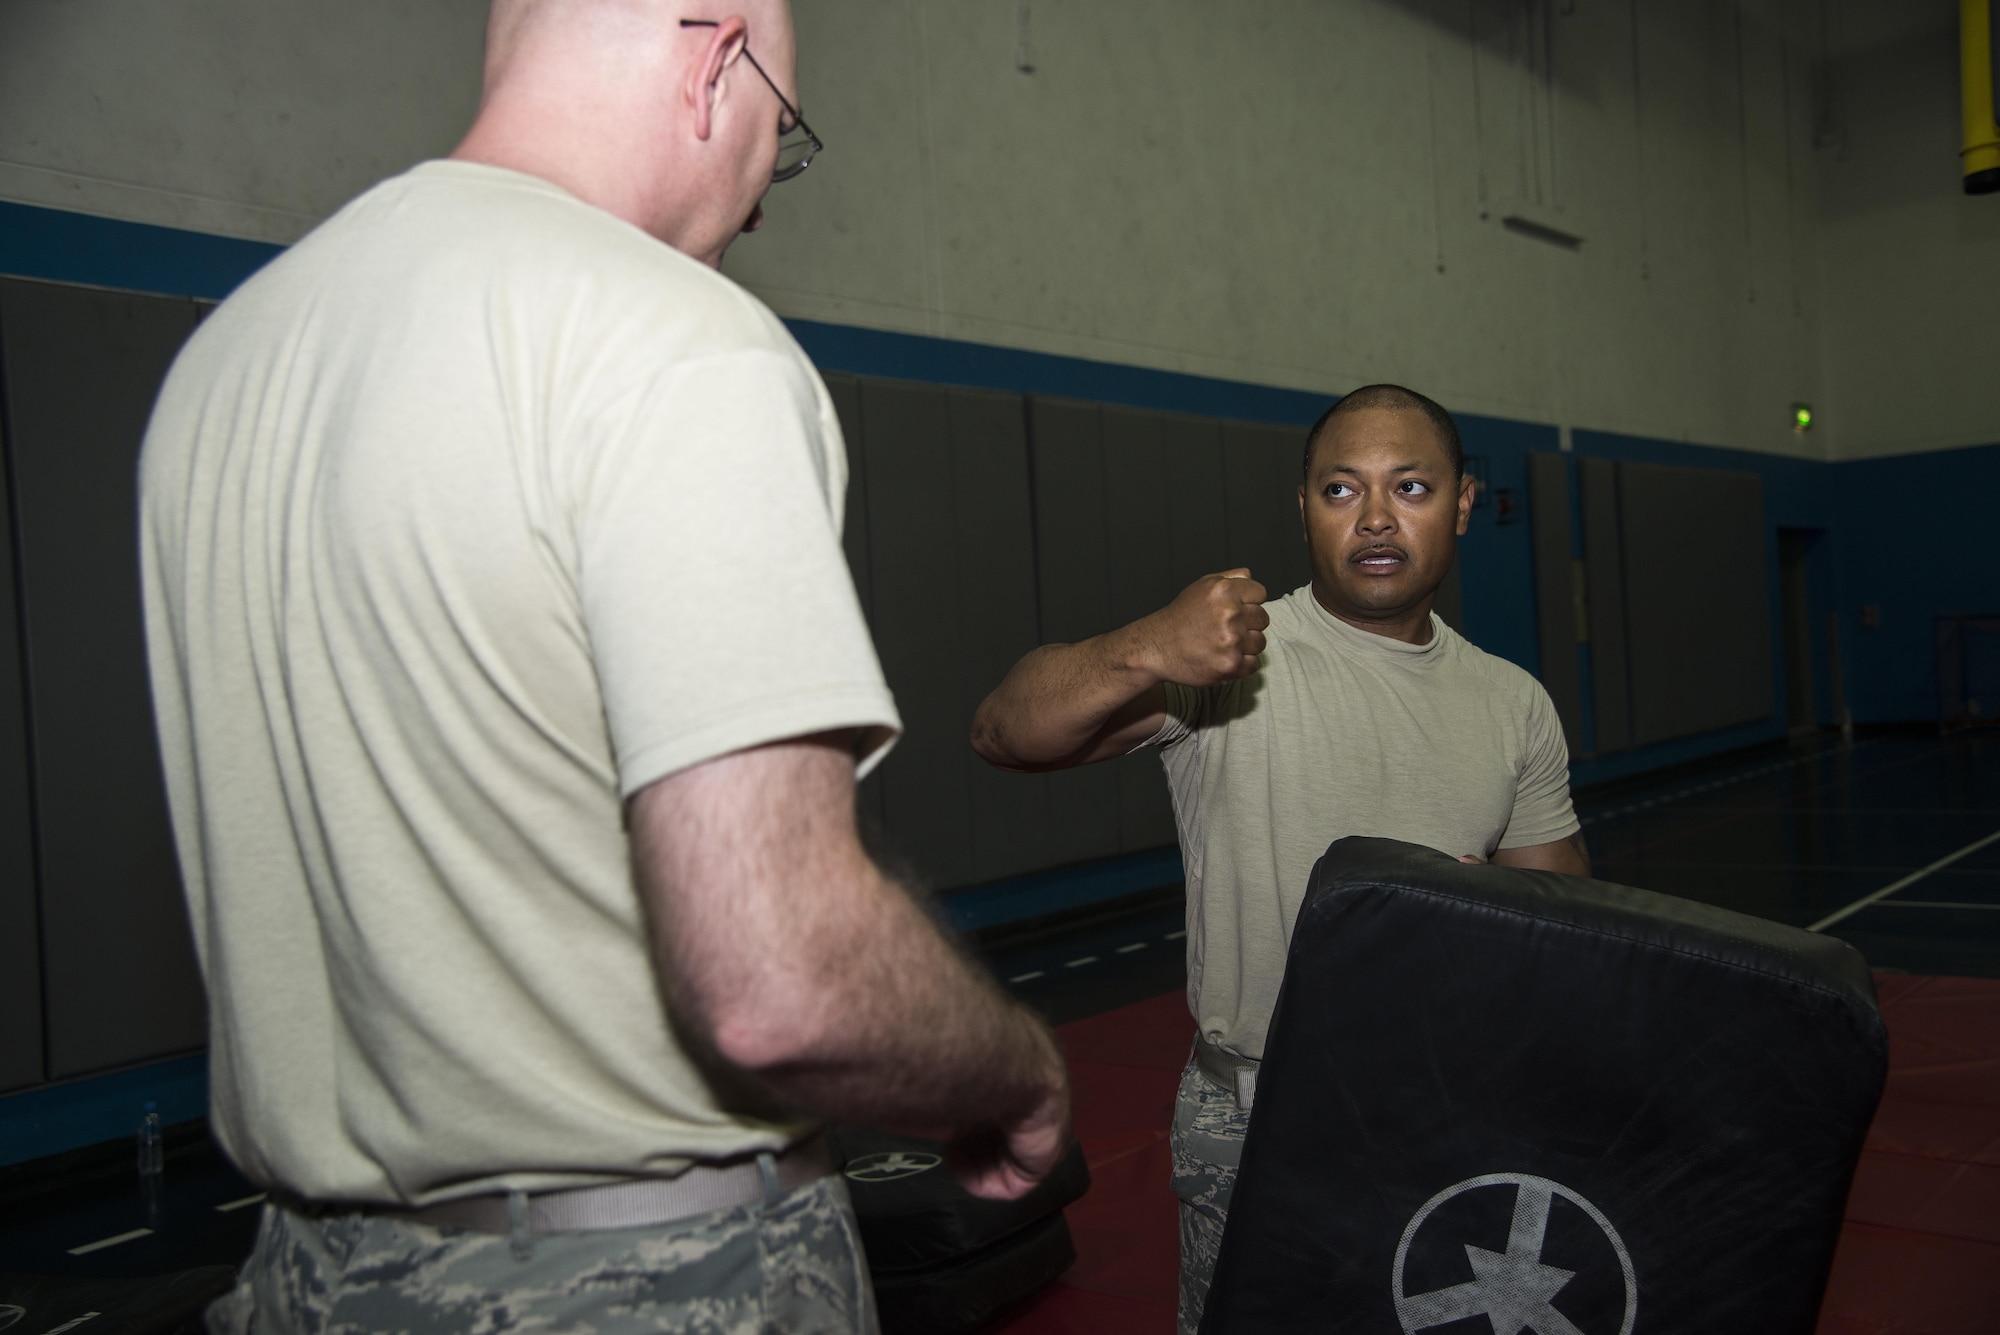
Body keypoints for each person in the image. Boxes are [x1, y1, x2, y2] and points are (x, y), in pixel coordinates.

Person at [139, 3, 1068, 1331]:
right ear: (715, 60)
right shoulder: (676, 338)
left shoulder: (227, 358)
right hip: (639, 1280)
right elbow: (777, 977)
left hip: (300, 1277)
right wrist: (1015, 1066)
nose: (757, 205)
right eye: (782, 137)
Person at [971, 383, 1586, 1333]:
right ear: (1302, 507)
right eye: (1342, 490)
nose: (1376, 518)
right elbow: (1005, 732)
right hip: (1256, 1106)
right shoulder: (1230, 663)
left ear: (1462, 502)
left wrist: (1485, 913)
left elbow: (1563, 919)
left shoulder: (1514, 702)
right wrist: (1145, 647)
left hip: (1448, 1103)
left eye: (1411, 488)